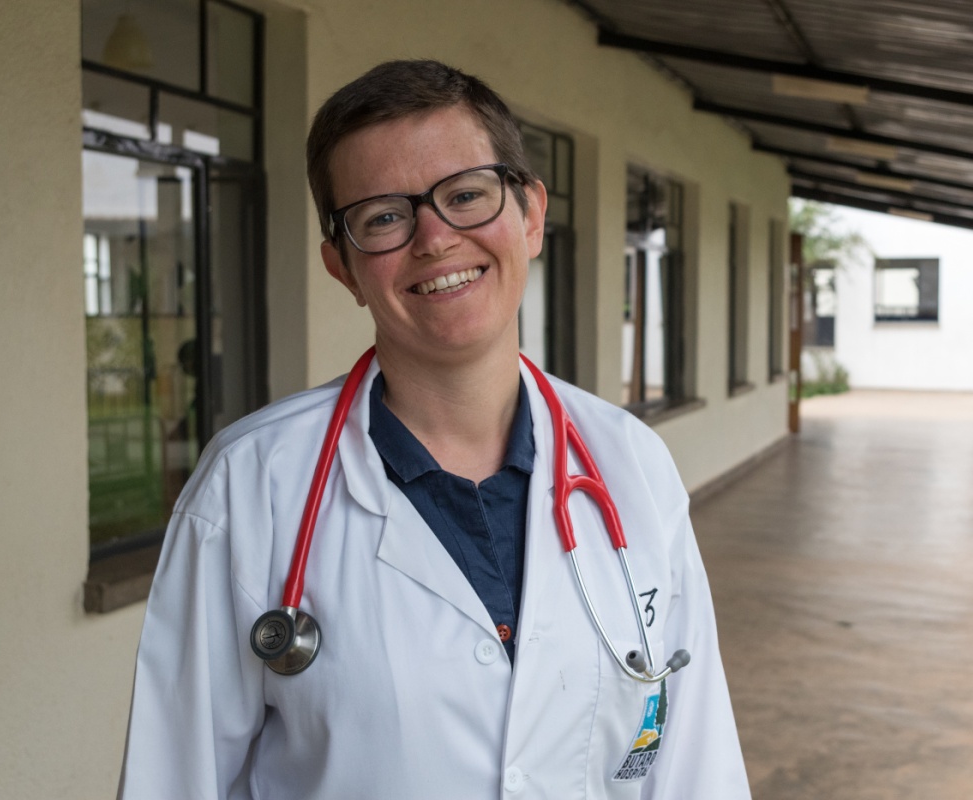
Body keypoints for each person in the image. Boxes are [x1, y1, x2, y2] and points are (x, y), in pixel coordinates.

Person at [118, 59, 751, 799]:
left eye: (466, 195)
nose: (435, 238)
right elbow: (173, 778)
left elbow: (695, 765)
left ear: (531, 215)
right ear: (342, 267)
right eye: (384, 217)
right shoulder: (249, 486)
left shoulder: (632, 464)